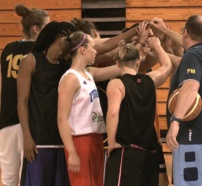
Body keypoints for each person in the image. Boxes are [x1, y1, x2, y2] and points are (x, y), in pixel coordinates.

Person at [151, 15, 202, 186]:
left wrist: (175, 122)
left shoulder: (193, 55)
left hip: (193, 135)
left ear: (186, 33)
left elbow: (191, 87)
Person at [104, 31, 172, 186]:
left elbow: (113, 112)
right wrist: (157, 46)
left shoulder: (116, 84)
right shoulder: (150, 80)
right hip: (149, 153)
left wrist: (112, 142)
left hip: (126, 151)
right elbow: (167, 65)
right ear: (137, 63)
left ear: (117, 63)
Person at [57, 31, 122, 186]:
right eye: (93, 47)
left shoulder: (88, 73)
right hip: (80, 141)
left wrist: (139, 47)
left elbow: (120, 69)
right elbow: (61, 119)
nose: (96, 51)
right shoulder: (70, 78)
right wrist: (71, 152)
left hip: (95, 138)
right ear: (83, 50)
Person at [17, 21, 77, 186]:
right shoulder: (31, 61)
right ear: (58, 37)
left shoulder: (66, 65)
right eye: (68, 38)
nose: (71, 44)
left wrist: (134, 34)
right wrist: (27, 136)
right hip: (39, 142)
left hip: (61, 141)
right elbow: (22, 101)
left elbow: (102, 49)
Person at [0, 4, 49, 186]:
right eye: (47, 28)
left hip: (5, 124)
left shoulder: (7, 50)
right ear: (37, 29)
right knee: (29, 179)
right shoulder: (39, 53)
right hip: (27, 124)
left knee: (8, 180)